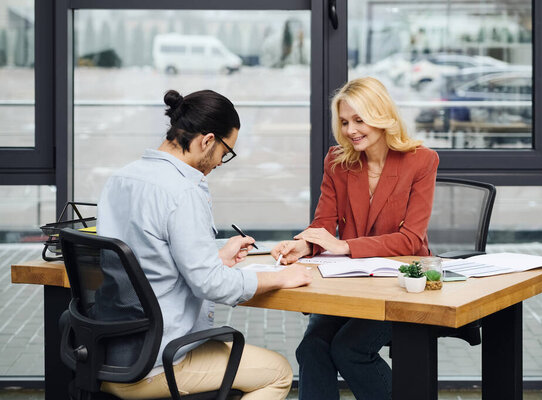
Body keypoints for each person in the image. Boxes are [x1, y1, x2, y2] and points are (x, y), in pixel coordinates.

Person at [97, 89, 313, 400]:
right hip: (158, 362)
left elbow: (146, 255)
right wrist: (281, 277)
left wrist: (215, 255)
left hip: (107, 353)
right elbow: (212, 285)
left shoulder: (120, 179)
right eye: (226, 152)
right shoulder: (183, 191)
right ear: (208, 140)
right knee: (278, 373)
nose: (221, 162)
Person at [271, 77, 439, 400]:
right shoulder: (338, 162)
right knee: (312, 349)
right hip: (349, 283)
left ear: (381, 116)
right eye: (345, 122)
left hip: (400, 286)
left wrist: (345, 246)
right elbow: (323, 225)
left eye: (359, 120)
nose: (350, 130)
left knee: (349, 349)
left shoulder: (421, 161)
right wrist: (303, 244)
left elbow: (410, 239)